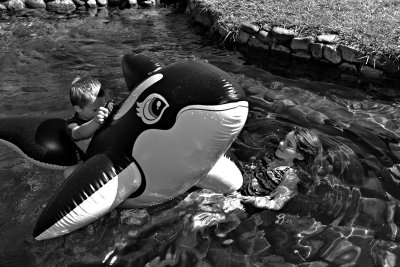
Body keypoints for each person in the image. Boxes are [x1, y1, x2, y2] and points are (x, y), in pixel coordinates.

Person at [232, 126, 323, 210]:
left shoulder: (291, 175)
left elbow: (277, 203)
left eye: (289, 144)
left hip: (243, 202)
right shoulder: (274, 155)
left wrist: (255, 201)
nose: (281, 143)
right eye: (284, 139)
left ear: (300, 156)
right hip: (238, 186)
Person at [64, 76, 113, 177]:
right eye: (95, 110)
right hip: (91, 161)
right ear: (78, 109)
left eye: (103, 106)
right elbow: (79, 133)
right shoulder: (72, 124)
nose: (102, 111)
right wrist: (95, 122)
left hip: (112, 152)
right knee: (68, 173)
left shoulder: (107, 108)